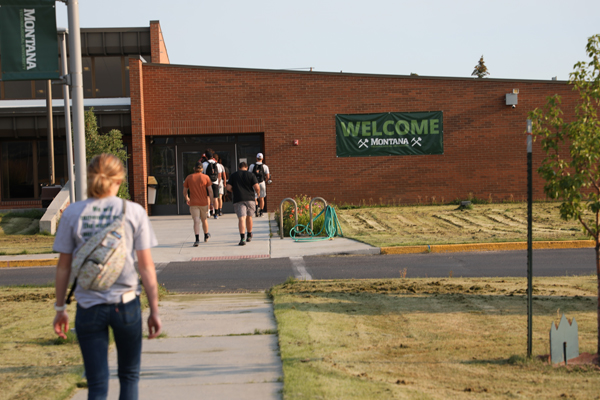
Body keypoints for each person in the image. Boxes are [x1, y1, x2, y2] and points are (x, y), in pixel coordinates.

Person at [52, 153, 161, 399]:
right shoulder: (133, 211)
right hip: (126, 305)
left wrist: (60, 308)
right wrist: (154, 310)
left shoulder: (73, 213)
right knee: (129, 377)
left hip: (88, 306)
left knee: (97, 384)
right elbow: (146, 267)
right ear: (120, 179)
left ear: (89, 179)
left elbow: (63, 267)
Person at [227, 162, 260, 246]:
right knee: (249, 217)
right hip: (250, 199)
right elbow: (257, 187)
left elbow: (228, 187)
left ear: (239, 167)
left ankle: (242, 238)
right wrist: (258, 193)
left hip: (239, 199)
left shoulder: (233, 175)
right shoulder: (251, 175)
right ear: (247, 167)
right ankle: (249, 235)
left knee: (242, 218)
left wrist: (234, 191)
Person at [183, 161, 214, 245]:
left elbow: (185, 191)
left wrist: (187, 198)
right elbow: (210, 191)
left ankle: (197, 239)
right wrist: (211, 203)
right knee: (204, 220)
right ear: (202, 169)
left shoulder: (189, 177)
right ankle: (206, 235)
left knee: (196, 220)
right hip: (204, 202)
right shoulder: (206, 177)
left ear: (194, 168)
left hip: (193, 203)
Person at [202, 149, 224, 219]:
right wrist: (218, 182)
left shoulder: (204, 164)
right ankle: (216, 213)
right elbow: (219, 176)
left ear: (206, 157)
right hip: (215, 182)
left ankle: (208, 212)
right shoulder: (218, 165)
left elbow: (202, 174)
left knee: (208, 197)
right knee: (215, 198)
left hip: (207, 183)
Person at [249, 153, 270, 217]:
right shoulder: (265, 166)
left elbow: (249, 175)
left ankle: (256, 210)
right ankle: (261, 212)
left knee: (255, 198)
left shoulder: (252, 166)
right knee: (262, 198)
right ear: (262, 159)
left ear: (256, 158)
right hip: (262, 183)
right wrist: (265, 181)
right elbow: (268, 176)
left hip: (254, 184)